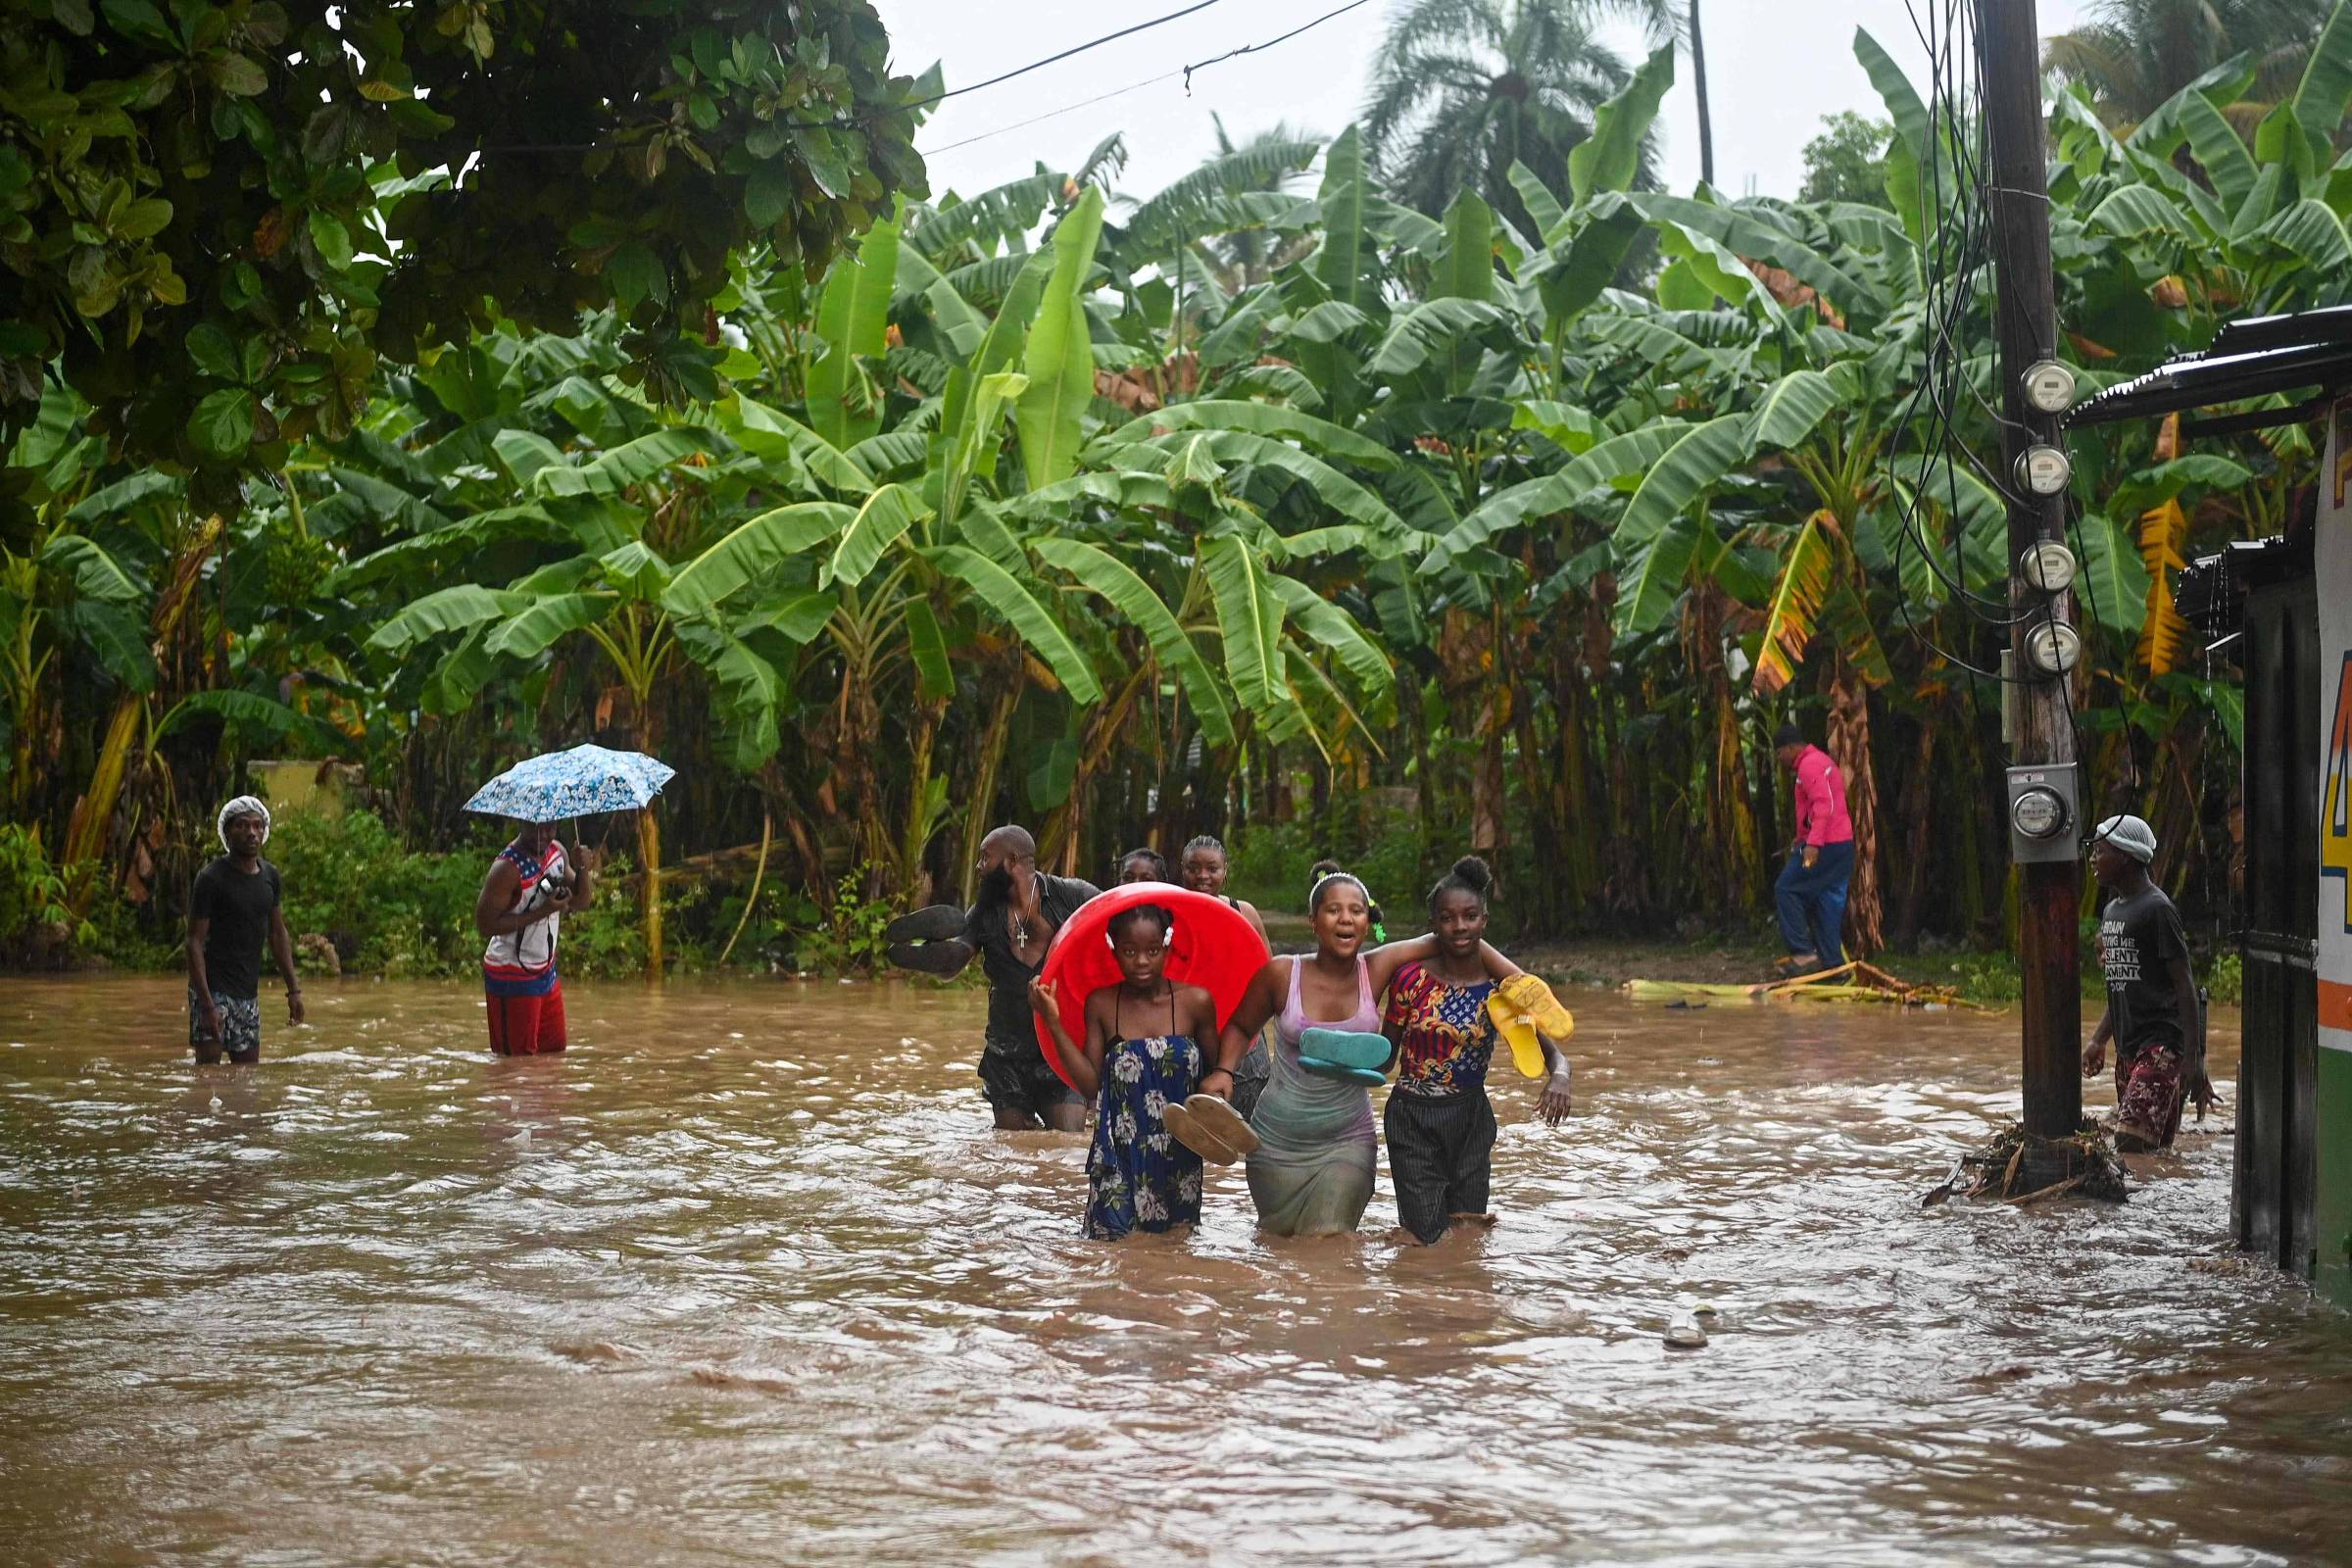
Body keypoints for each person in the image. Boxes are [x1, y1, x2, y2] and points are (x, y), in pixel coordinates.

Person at [1201, 868, 1519, 1237]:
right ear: (1313, 921)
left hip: (1347, 1141)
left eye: (1356, 910)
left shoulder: (1377, 967)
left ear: (1368, 923)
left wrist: (1523, 983)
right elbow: (1241, 1027)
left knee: (1329, 1239)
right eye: (1333, 910)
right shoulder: (1281, 973)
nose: (1346, 919)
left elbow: (1456, 938)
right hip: (1277, 1143)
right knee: (1277, 1243)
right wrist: (1224, 1071)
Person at [1381, 857, 1574, 1245]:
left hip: (1470, 1120)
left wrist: (1561, 1079)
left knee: (1468, 1232)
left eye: (1470, 916)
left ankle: (1462, 1302)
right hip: (1411, 1119)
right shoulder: (1409, 980)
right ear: (1433, 924)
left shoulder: (1502, 993)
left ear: (1484, 921)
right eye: (1448, 918)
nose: (1459, 927)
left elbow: (1554, 1053)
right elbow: (1386, 1056)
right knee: (1425, 1239)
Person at [1028, 903, 1217, 1239]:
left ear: (1168, 946)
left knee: (1175, 1253)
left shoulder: (1197, 1002)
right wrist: (1053, 1022)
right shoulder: (1101, 1003)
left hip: (1179, 1155)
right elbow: (1090, 1086)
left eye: (1152, 950)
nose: (1141, 961)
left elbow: (1212, 1083)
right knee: (1111, 1252)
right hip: (1119, 1153)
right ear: (1113, 949)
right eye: (1129, 951)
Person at [2082, 814, 2215, 1152]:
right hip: (2128, 1051)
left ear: (2125, 856)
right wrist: (2099, 1041)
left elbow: (2184, 983)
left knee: (2129, 1142)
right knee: (2151, 1150)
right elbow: (2122, 985)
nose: (2093, 859)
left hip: (2161, 1049)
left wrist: (2194, 1057)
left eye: (2100, 851)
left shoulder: (2158, 909)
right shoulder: (2112, 911)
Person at [187, 796, 303, 1064]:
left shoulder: (270, 876)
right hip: (212, 991)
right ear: (227, 832)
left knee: (247, 1080)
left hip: (248, 995)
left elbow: (277, 934)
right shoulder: (210, 878)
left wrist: (294, 990)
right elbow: (194, 942)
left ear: (264, 832)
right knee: (208, 1079)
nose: (251, 832)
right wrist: (206, 1005)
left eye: (257, 826)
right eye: (242, 825)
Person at [474, 818, 594, 1055]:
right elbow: (485, 925)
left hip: (545, 969)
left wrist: (583, 869)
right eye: (535, 827)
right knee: (516, 1065)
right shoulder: (506, 869)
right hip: (511, 974)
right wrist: (543, 911)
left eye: (550, 827)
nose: (543, 834)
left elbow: (581, 902)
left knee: (554, 1053)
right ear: (520, 822)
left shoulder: (557, 853)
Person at [1179, 834, 1273, 1117]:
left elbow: (1269, 974)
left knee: (1244, 1130)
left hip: (1243, 1031)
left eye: (1212, 868)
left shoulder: (1245, 913)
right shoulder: (1170, 912)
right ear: (1181, 870)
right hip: (1189, 1033)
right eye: (1193, 868)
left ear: (1225, 871)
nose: (1202, 876)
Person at [1772, 722, 1855, 974]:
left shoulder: (1809, 766)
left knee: (1786, 888)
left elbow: (1824, 805)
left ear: (1789, 747)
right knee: (1826, 901)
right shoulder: (1821, 761)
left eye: (1779, 753)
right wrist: (1802, 838)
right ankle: (1833, 968)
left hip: (1825, 846)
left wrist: (1813, 844)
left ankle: (1804, 954)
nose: (1779, 759)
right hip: (1842, 846)